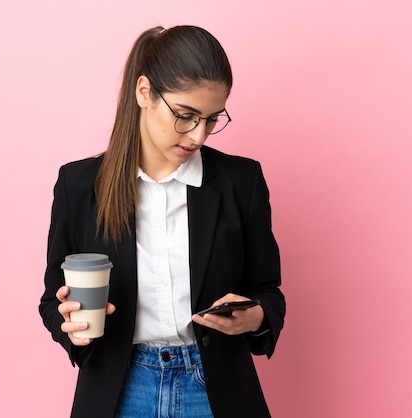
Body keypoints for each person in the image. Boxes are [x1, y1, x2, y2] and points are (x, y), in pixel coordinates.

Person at [39, 25, 285, 418]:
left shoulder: (242, 182)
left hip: (215, 388)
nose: (199, 135)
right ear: (144, 92)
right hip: (120, 389)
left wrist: (255, 317)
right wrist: (68, 323)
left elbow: (267, 291)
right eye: (186, 116)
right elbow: (54, 299)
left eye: (211, 119)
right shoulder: (79, 185)